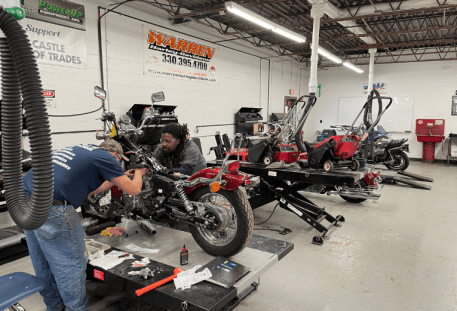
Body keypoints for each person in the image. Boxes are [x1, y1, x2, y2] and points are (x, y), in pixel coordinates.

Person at [22, 139, 148, 311]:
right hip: (54, 210)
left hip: (26, 203)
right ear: (115, 155)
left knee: (43, 262)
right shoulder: (107, 157)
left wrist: (115, 180)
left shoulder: (82, 151)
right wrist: (140, 172)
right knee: (71, 266)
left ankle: (54, 307)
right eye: (118, 162)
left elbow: (86, 190)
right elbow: (134, 190)